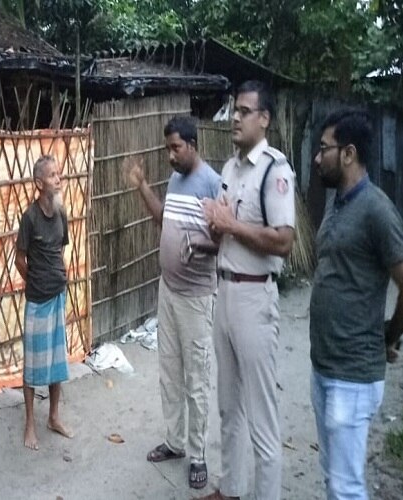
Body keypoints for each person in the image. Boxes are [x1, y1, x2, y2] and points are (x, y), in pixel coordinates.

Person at [310, 109, 403, 500]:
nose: (316, 157)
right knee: (333, 476)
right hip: (324, 366)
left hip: (353, 375)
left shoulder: (377, 209)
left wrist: (388, 335)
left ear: (348, 153)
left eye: (323, 148)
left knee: (347, 489)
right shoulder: (337, 204)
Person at [198, 80, 296, 500]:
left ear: (264, 119)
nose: (234, 118)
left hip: (256, 299)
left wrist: (231, 225)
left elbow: (284, 240)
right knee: (228, 404)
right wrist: (213, 226)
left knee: (261, 416)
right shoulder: (230, 169)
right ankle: (230, 488)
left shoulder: (275, 171)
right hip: (225, 293)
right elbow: (224, 235)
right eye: (233, 110)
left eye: (243, 111)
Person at [124, 117, 220, 489]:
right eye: (167, 148)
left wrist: (199, 245)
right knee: (169, 372)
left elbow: (225, 242)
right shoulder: (176, 180)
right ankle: (176, 442)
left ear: (193, 145)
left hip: (196, 298)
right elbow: (163, 219)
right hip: (169, 291)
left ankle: (198, 454)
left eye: (175, 148)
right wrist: (142, 187)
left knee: (196, 378)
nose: (169, 155)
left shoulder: (212, 183)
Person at [15, 155, 75, 452]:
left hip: (57, 295)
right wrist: (35, 280)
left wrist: (58, 278)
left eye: (58, 173)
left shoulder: (61, 213)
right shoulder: (30, 218)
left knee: (56, 361)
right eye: (52, 175)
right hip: (37, 299)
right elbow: (19, 259)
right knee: (33, 364)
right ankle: (29, 423)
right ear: (40, 183)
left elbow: (60, 251)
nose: (58, 178)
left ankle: (53, 417)